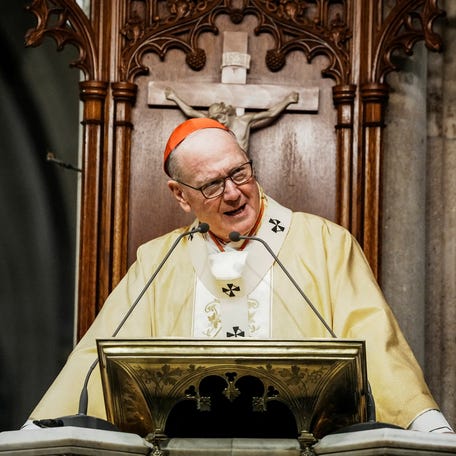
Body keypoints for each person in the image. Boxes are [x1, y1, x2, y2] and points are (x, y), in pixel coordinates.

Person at [27, 118, 453, 434]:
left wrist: (423, 420)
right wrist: (39, 429)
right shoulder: (158, 261)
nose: (233, 193)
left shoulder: (324, 244)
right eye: (211, 185)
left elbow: (375, 341)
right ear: (180, 196)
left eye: (239, 173)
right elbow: (96, 357)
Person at [165, 87, 299, 151]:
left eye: (221, 117)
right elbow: (190, 111)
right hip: (222, 162)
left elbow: (270, 113)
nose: (219, 121)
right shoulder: (214, 122)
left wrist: (288, 100)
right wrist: (174, 97)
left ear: (227, 112)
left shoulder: (244, 120)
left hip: (242, 164)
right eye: (215, 119)